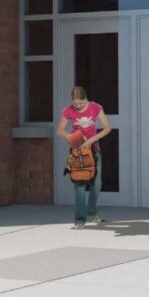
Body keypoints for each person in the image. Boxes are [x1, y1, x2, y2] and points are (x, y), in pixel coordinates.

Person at [56, 85, 111, 229]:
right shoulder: (68, 110)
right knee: (80, 184)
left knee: (96, 183)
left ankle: (92, 211)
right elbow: (60, 131)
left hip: (93, 148)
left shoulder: (95, 107)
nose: (78, 106)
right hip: (77, 149)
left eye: (81, 103)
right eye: (75, 104)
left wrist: (90, 140)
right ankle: (80, 220)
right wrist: (76, 137)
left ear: (86, 99)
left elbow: (107, 128)